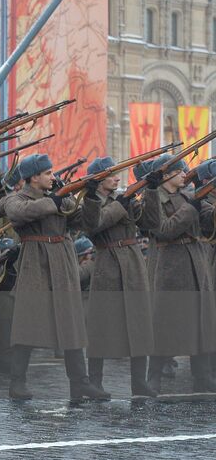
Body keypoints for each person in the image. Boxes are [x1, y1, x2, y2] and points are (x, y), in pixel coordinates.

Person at [1, 153, 106, 403]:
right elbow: (19, 214)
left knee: (70, 324)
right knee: (28, 325)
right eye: (47, 173)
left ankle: (79, 384)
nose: (53, 176)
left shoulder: (58, 196)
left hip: (62, 260)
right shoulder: (18, 198)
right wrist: (55, 201)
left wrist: (90, 197)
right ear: (33, 177)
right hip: (35, 262)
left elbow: (87, 222)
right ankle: (17, 382)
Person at [80, 156, 157, 399]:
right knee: (101, 325)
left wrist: (151, 190)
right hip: (108, 263)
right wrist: (122, 202)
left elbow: (152, 222)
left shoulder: (122, 198)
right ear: (100, 179)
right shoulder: (91, 202)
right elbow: (95, 225)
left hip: (133, 262)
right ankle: (95, 382)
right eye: (112, 174)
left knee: (139, 322)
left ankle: (139, 382)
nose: (117, 177)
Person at [139, 156, 216, 394]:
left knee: (201, 321)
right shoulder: (154, 199)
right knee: (166, 323)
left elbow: (208, 220)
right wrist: (191, 209)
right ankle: (154, 376)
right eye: (179, 171)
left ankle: (202, 375)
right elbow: (163, 230)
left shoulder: (189, 195)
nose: (185, 173)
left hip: (195, 261)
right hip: (171, 265)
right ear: (167, 175)